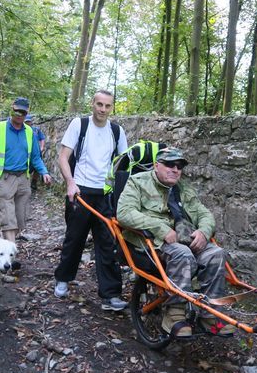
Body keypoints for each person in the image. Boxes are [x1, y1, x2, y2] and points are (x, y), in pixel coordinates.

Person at [117, 147, 234, 338]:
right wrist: (160, 228)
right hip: (152, 242)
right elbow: (124, 213)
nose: (175, 169)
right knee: (182, 254)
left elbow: (204, 213)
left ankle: (210, 314)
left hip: (185, 237)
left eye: (179, 166)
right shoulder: (137, 182)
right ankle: (174, 315)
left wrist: (204, 232)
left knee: (216, 254)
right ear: (156, 166)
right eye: (169, 164)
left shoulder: (184, 188)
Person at [53, 90, 129, 311]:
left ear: (111, 108)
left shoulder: (117, 131)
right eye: (99, 104)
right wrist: (70, 182)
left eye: (107, 106)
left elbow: (123, 164)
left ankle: (111, 295)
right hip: (80, 191)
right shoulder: (80, 125)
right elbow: (63, 157)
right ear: (92, 104)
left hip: (105, 195)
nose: (102, 109)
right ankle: (63, 279)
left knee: (107, 243)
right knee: (74, 239)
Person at [0, 97, 52, 242]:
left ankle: (5, 239)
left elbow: (36, 157)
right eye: (16, 111)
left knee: (20, 217)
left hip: (23, 179)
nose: (19, 115)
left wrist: (44, 172)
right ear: (11, 109)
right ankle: (10, 252)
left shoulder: (30, 132)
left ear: (27, 113)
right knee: (7, 215)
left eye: (23, 112)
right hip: (3, 177)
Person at [25, 115, 47, 190]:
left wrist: (41, 147)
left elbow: (42, 138)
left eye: (29, 121)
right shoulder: (22, 130)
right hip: (26, 153)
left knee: (36, 168)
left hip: (36, 152)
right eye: (26, 122)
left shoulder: (36, 130)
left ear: (31, 122)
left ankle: (34, 182)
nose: (28, 123)